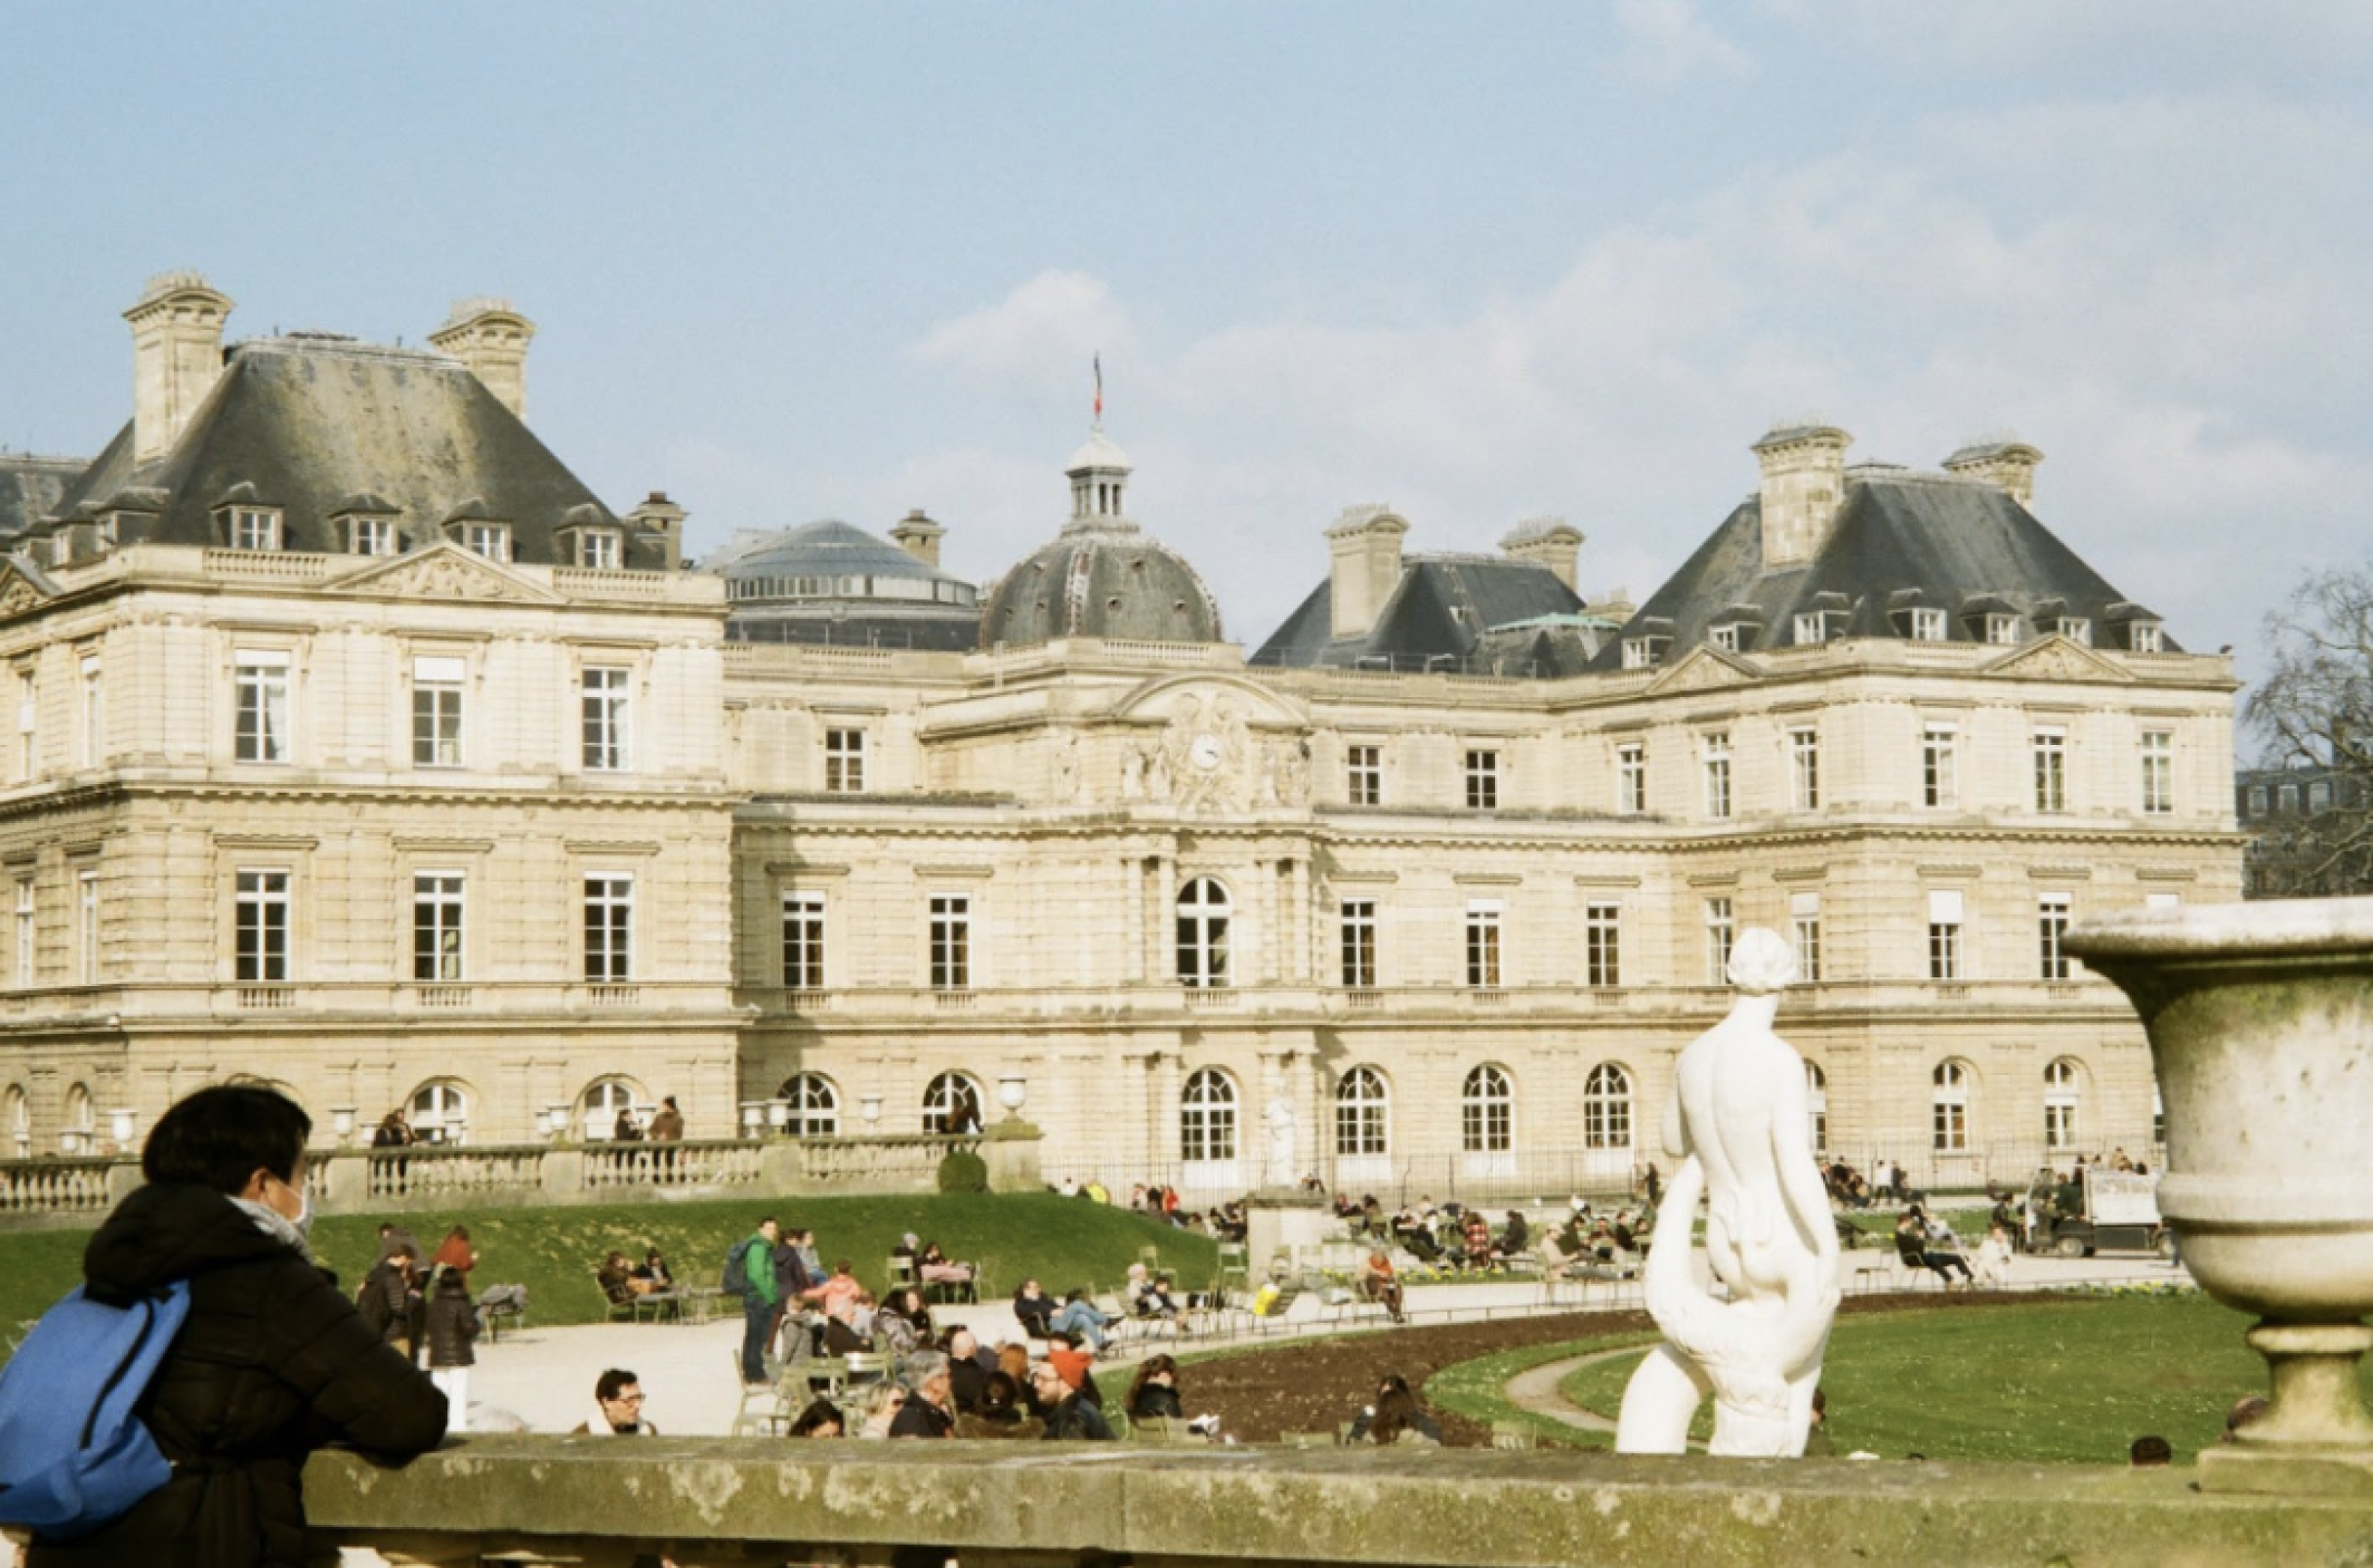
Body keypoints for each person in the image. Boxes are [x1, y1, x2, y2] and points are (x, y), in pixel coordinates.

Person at [21, 1084, 445, 1568]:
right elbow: (411, 1416)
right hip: (203, 1540)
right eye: (301, 1175)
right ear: (263, 1185)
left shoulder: (112, 1272)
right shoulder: (272, 1282)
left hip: (71, 1544)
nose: (305, 1194)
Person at [423, 1263, 480, 1432]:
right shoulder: (461, 1303)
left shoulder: (434, 1303)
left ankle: (438, 1423)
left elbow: (428, 1325)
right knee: (458, 1391)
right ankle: (457, 1425)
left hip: (437, 1352)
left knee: (440, 1390)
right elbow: (469, 1327)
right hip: (458, 1353)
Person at [734, 1217, 783, 1385]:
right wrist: (770, 1296)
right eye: (769, 1228)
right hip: (758, 1298)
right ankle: (754, 1373)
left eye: (774, 1229)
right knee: (756, 1337)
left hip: (759, 1298)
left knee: (756, 1337)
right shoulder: (758, 1247)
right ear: (760, 1230)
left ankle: (753, 1372)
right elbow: (757, 1275)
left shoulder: (765, 1247)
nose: (773, 1232)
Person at [1028, 1359, 1114, 1440]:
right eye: (1036, 1377)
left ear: (1065, 1382)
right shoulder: (1079, 1406)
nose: (1036, 1384)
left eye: (1044, 1379)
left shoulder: (1072, 1421)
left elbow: (1071, 1454)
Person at [1347, 1374, 1440, 1446]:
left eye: (1393, 1396)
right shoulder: (1369, 1417)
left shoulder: (1417, 1419)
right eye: (1384, 1396)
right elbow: (1353, 1441)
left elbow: (1435, 1440)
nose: (1388, 1401)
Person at [889, 1351, 956, 1438]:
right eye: (948, 1375)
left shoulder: (937, 1414)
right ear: (934, 1380)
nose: (951, 1380)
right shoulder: (910, 1418)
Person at [573, 1368, 657, 1435]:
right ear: (607, 1403)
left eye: (639, 1398)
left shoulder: (648, 1431)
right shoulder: (582, 1437)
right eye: (629, 1400)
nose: (637, 1405)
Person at [1126, 1353, 1186, 1423]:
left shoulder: (1134, 1397)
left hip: (1149, 1432)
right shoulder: (1167, 1400)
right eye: (1173, 1376)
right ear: (1164, 1374)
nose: (1172, 1382)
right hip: (1166, 1432)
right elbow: (1179, 1429)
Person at [1356, 1249, 1405, 1323]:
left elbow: (1391, 1274)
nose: (1381, 1257)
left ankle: (1397, 1312)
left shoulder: (1386, 1263)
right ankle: (1396, 1313)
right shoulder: (1367, 1263)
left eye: (1382, 1255)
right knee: (1384, 1290)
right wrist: (1376, 1273)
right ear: (1374, 1255)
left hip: (1387, 1285)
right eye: (1378, 1255)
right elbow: (1361, 1278)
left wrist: (1390, 1278)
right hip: (1375, 1287)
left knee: (1397, 1287)